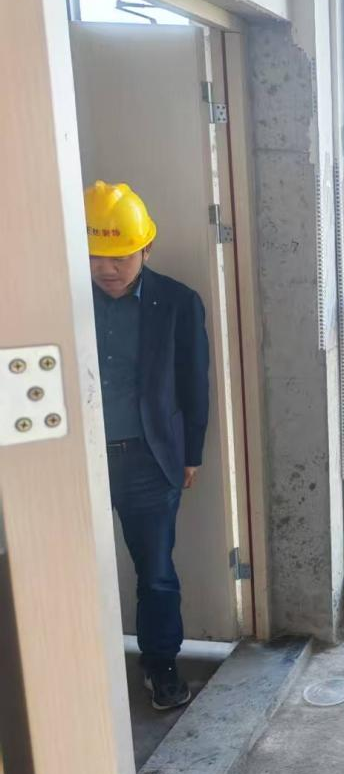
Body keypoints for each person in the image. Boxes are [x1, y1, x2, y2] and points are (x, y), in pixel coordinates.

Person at [86, 181, 209, 711]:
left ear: (146, 248)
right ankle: (77, 672)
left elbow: (194, 384)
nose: (106, 268)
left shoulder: (178, 302)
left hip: (149, 458)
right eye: (95, 256)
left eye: (119, 256)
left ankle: (160, 666)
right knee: (72, 569)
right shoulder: (61, 298)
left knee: (156, 573)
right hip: (77, 460)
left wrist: (191, 453)